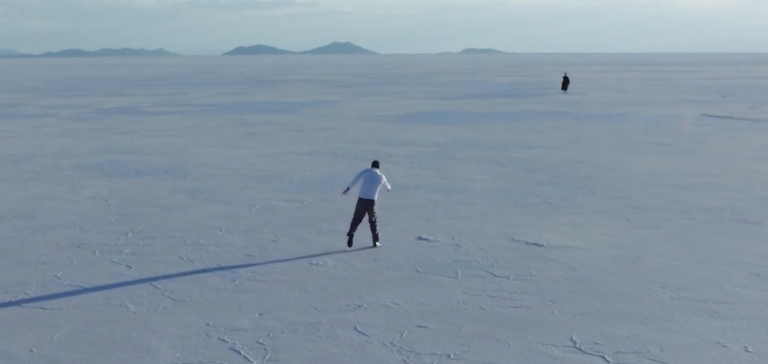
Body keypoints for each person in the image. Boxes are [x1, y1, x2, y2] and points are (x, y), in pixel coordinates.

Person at [342, 160, 391, 248]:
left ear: (371, 166)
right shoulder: (381, 177)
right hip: (372, 202)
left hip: (361, 200)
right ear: (379, 167)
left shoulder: (366, 172)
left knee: (356, 218)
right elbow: (388, 186)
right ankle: (375, 242)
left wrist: (348, 188)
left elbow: (356, 179)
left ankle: (351, 232)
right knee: (373, 221)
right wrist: (388, 188)